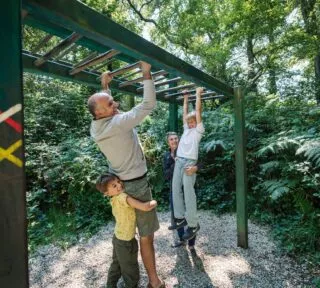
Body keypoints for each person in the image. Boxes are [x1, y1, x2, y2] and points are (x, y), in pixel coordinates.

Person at [88, 61, 165, 288]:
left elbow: (104, 108)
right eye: (111, 103)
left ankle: (121, 276)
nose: (116, 104)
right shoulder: (118, 123)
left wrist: (105, 86)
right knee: (146, 236)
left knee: (125, 234)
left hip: (119, 186)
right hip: (137, 186)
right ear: (101, 112)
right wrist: (147, 72)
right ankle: (154, 282)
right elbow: (149, 104)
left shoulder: (96, 126)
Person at [96, 173, 157, 288]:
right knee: (130, 269)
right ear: (107, 193)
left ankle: (110, 285)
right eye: (114, 185)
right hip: (126, 242)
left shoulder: (113, 199)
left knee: (117, 264)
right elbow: (145, 207)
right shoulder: (124, 197)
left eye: (118, 181)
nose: (119, 185)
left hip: (117, 238)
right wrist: (154, 202)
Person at [170, 87, 205, 241]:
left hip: (189, 162)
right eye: (189, 122)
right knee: (175, 188)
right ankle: (179, 217)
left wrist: (197, 95)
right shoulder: (185, 130)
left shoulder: (198, 131)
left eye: (193, 122)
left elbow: (197, 111)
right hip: (180, 159)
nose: (190, 123)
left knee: (188, 192)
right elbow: (185, 114)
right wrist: (185, 99)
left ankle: (193, 224)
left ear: (197, 123)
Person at [163, 131, 198, 250]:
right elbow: (166, 175)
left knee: (190, 213)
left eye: (176, 138)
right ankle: (182, 239)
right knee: (178, 217)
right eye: (171, 139)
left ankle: (192, 243)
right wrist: (174, 162)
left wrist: (195, 168)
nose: (174, 141)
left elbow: (199, 162)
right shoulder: (167, 156)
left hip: (187, 188)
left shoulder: (187, 150)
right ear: (168, 143)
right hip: (175, 190)